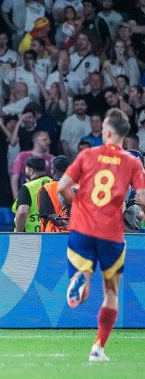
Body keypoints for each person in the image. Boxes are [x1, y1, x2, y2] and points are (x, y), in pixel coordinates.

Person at [58, 108, 145, 361]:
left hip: (82, 227)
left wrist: (79, 208)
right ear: (125, 135)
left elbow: (63, 186)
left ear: (106, 132)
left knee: (82, 277)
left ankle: (82, 278)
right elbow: (141, 197)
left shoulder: (88, 154)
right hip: (111, 232)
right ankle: (98, 349)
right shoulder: (133, 162)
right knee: (111, 292)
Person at [13, 156, 52, 233]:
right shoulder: (55, 184)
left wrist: (18, 232)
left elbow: (22, 212)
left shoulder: (28, 187)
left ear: (31, 170)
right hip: (52, 233)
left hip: (31, 235)